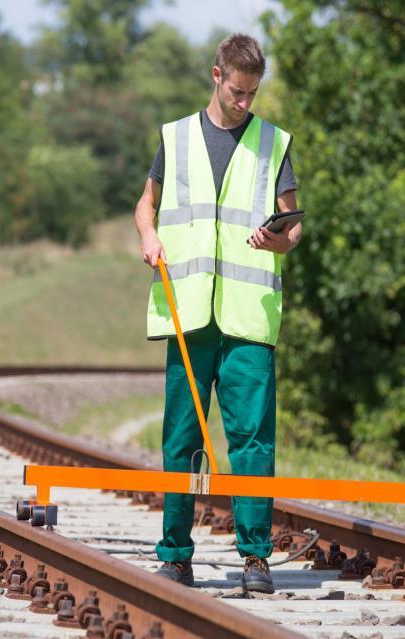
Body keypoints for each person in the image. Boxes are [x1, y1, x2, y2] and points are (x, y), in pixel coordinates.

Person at [133, 33, 302, 594]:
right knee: (181, 437)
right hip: (189, 312)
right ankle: (175, 556)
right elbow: (146, 204)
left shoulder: (274, 144)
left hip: (249, 318)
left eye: (253, 93)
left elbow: (293, 228)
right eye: (237, 91)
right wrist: (148, 236)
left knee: (252, 439)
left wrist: (276, 241)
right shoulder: (176, 138)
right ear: (216, 75)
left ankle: (256, 559)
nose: (245, 103)